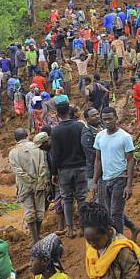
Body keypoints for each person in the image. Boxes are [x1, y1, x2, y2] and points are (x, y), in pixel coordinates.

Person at [80, 202, 140, 279]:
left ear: (108, 230)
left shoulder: (122, 251)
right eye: (88, 240)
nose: (92, 244)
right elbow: (97, 270)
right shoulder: (93, 248)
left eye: (95, 240)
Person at [94, 107, 139, 238]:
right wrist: (95, 181)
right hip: (104, 178)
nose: (107, 122)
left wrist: (129, 185)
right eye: (104, 119)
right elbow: (98, 159)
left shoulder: (124, 137)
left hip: (120, 177)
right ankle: (133, 227)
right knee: (109, 211)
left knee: (115, 213)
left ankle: (119, 241)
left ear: (116, 119)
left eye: (110, 119)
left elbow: (130, 160)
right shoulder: (100, 136)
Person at [50, 102, 87, 239]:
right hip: (81, 167)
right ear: (70, 111)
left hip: (64, 170)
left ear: (58, 114)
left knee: (67, 199)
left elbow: (56, 154)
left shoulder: (56, 131)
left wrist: (54, 173)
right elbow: (84, 147)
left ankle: (70, 229)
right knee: (82, 198)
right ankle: (83, 227)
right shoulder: (79, 126)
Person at [8, 128, 49, 244]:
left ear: (15, 139)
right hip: (39, 184)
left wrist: (29, 181)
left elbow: (18, 172)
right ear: (27, 135)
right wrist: (38, 182)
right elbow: (43, 166)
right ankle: (38, 234)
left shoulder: (13, 152)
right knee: (40, 210)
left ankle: (35, 238)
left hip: (24, 186)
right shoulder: (37, 148)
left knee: (29, 211)